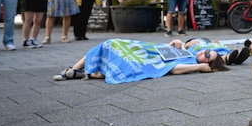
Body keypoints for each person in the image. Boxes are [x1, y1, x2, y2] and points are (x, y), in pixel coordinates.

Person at [53, 37, 229, 83]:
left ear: (206, 64)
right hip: (143, 49)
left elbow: (173, 69)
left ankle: (83, 72)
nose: (204, 52)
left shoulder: (192, 64)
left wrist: (198, 68)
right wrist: (177, 45)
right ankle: (76, 69)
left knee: (112, 47)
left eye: (207, 56)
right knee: (109, 43)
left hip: (142, 59)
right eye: (207, 51)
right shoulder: (188, 52)